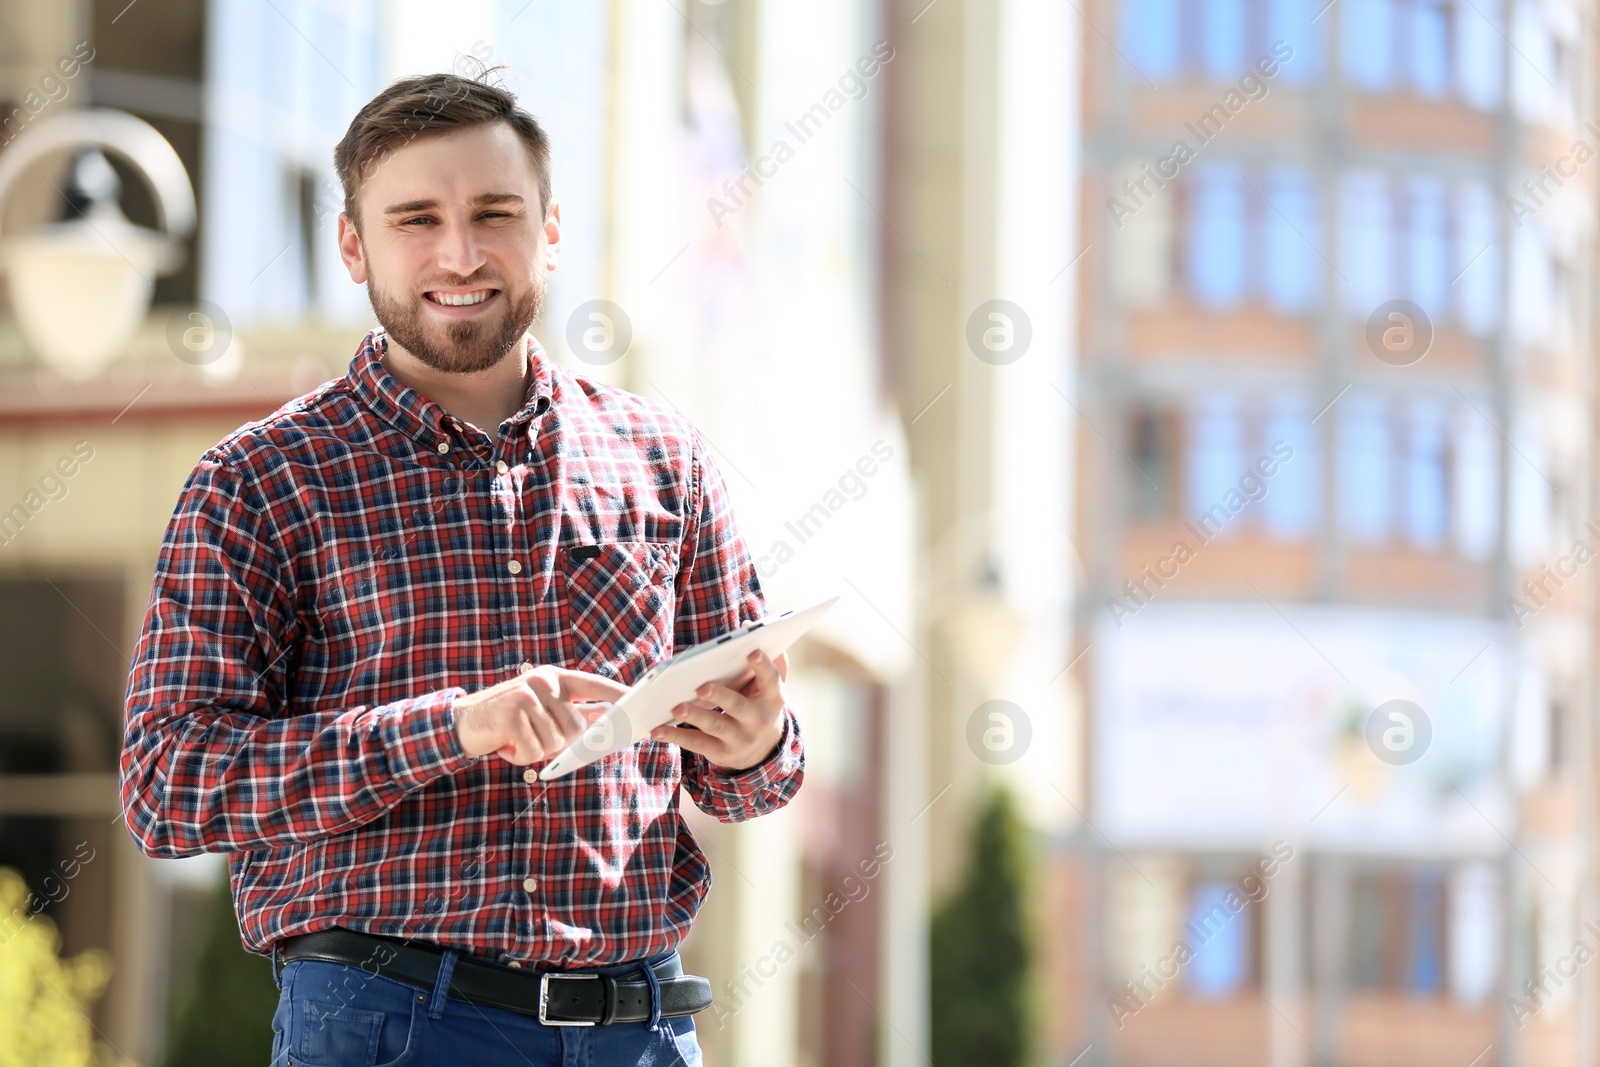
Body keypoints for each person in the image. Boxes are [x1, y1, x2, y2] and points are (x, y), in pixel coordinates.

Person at [118, 70, 805, 1067]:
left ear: (551, 229)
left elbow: (752, 780)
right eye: (415, 219)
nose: (461, 253)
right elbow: (168, 784)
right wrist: (451, 727)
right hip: (390, 1021)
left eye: (494, 212)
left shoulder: (666, 459)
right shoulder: (258, 481)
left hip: (643, 1026)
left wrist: (757, 741)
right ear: (352, 243)